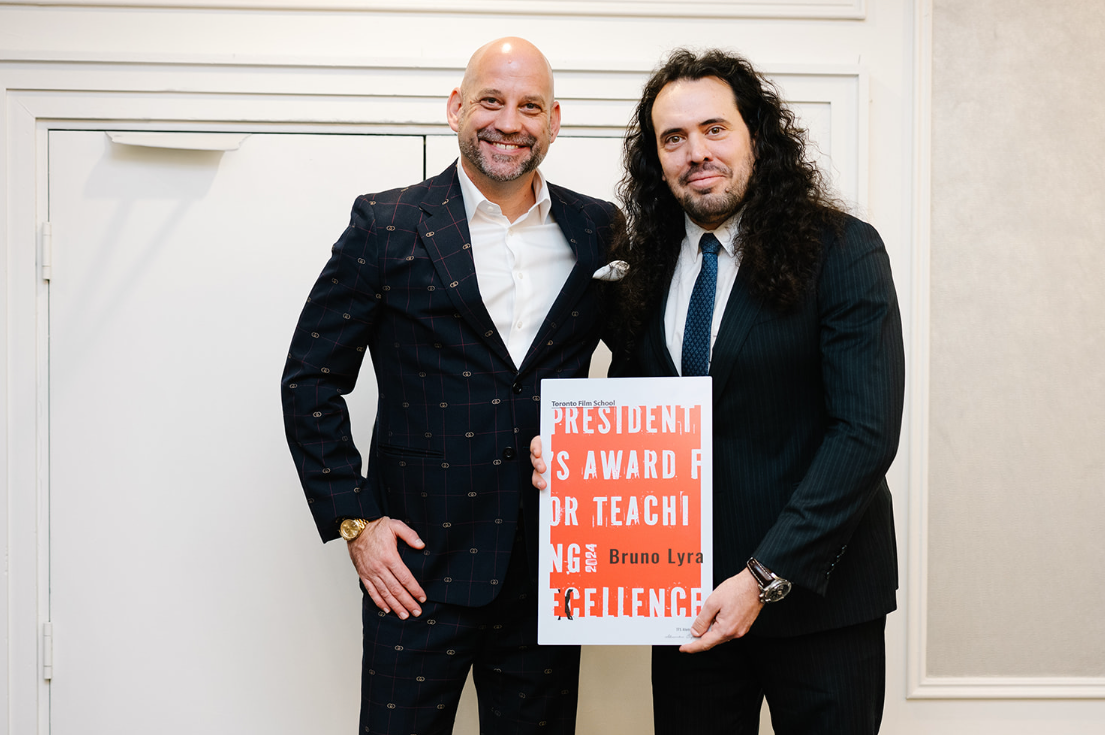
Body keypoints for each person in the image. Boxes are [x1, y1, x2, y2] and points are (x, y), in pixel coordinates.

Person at [532, 48, 904, 734]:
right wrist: (571, 458)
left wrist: (762, 577)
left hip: (820, 604)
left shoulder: (843, 251)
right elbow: (637, 424)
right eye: (672, 138)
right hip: (685, 604)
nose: (694, 151)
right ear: (656, 159)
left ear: (754, 137)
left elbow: (864, 434)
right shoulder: (639, 271)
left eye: (713, 128)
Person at [282, 37, 619, 735]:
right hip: (415, 571)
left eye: (530, 106)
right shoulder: (387, 223)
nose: (509, 121)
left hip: (551, 571)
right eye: (490, 100)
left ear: (554, 121)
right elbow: (310, 377)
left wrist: (601, 449)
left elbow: (643, 365)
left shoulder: (598, 230)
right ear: (456, 108)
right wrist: (355, 521)